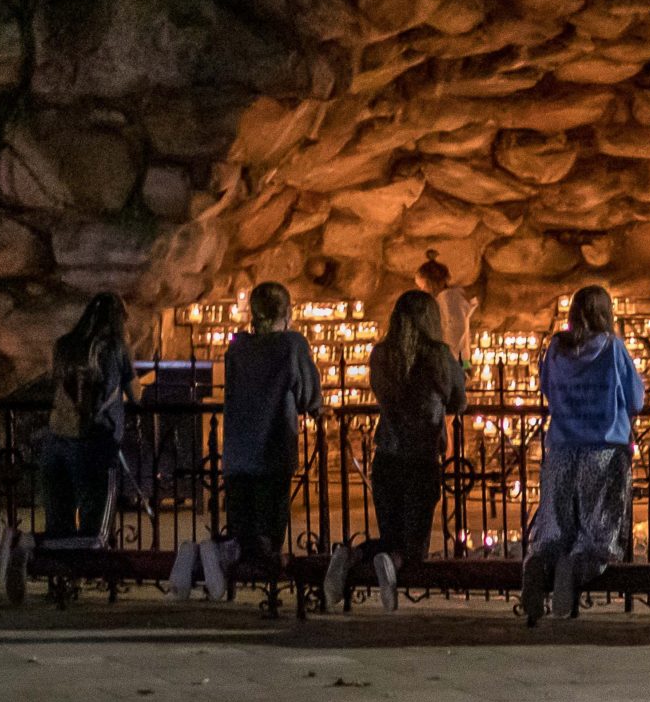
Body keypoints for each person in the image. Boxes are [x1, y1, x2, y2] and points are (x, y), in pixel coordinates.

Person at [174, 281, 318, 600]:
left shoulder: (238, 346)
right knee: (268, 532)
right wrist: (316, 408)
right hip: (272, 449)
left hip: (238, 451)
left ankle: (206, 553)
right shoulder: (292, 345)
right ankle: (268, 594)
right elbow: (308, 393)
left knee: (242, 531)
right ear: (288, 312)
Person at [325, 290, 467, 611]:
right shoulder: (439, 356)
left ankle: (353, 554)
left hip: (387, 454)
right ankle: (385, 561)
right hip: (422, 457)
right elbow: (459, 401)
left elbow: (380, 394)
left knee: (391, 532)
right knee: (414, 546)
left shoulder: (382, 355)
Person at [522, 285, 645, 626]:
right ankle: (573, 570)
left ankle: (540, 564)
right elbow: (635, 398)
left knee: (556, 527)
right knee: (599, 535)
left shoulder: (556, 350)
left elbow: (547, 389)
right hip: (602, 453)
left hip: (561, 449)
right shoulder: (612, 349)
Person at [0, 294, 133, 597]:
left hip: (56, 442)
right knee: (95, 534)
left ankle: (63, 582)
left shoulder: (65, 345)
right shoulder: (115, 349)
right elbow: (133, 393)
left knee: (60, 524)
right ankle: (28, 544)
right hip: (95, 445)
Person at [417, 251, 477, 365]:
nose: (422, 291)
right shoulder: (443, 300)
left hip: (452, 363)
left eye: (423, 286)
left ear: (431, 283)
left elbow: (455, 337)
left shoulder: (449, 301)